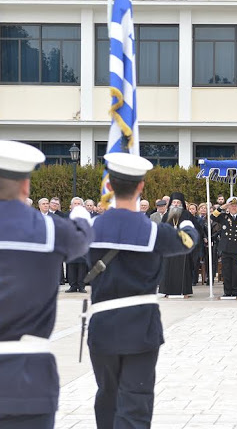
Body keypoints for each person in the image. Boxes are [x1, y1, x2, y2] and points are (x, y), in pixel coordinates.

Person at [86, 152, 198, 429]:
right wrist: (185, 223)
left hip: (102, 326)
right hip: (140, 326)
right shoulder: (152, 231)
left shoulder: (91, 227)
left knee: (107, 397)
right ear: (141, 188)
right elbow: (187, 242)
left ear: (109, 186)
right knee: (135, 402)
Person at [0, 140, 93, 429]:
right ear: (25, 186)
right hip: (26, 382)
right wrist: (81, 215)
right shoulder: (49, 230)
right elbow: (82, 238)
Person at [159, 192, 200, 297]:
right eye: (174, 202)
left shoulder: (187, 215)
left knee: (183, 269)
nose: (176, 204)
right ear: (171, 203)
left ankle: (184, 291)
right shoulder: (167, 215)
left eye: (178, 202)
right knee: (168, 269)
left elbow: (195, 229)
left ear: (182, 204)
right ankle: (168, 291)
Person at [210, 197, 237, 297]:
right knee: (226, 270)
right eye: (231, 205)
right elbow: (213, 216)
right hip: (225, 247)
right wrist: (222, 207)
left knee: (236, 270)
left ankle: (235, 291)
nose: (233, 207)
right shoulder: (224, 217)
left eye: (235, 206)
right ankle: (227, 291)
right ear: (228, 207)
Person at [65, 197, 90, 293]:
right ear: (71, 206)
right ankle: (73, 285)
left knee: (82, 266)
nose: (77, 205)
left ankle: (81, 286)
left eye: (79, 203)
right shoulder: (67, 215)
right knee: (71, 266)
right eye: (75, 203)